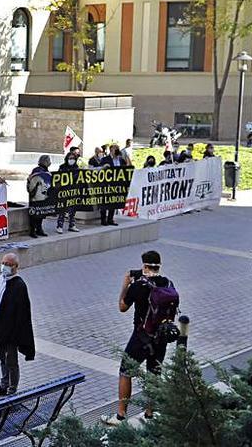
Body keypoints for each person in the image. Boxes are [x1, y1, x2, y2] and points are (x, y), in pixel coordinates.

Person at [102, 250, 177, 425]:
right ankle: (150, 414)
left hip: (141, 336)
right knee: (154, 374)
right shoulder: (168, 283)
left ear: (144, 266)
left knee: (125, 371)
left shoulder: (138, 286)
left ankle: (121, 416)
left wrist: (125, 286)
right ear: (159, 266)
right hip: (161, 336)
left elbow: (122, 307)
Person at [0, 254, 35, 396]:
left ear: (15, 266)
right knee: (2, 358)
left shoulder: (19, 285)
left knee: (11, 361)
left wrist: (15, 335)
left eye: (8, 264)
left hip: (10, 332)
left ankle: (12, 389)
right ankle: (4, 384)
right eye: (3, 263)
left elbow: (22, 314)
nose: (4, 266)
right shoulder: (2, 279)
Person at [99, 144, 126, 226]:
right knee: (105, 202)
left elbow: (127, 167)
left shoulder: (120, 160)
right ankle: (103, 220)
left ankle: (110, 219)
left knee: (113, 202)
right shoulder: (105, 159)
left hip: (117, 184)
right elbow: (100, 170)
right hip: (107, 184)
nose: (117, 150)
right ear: (111, 150)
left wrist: (125, 156)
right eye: (116, 149)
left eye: (118, 149)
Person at [27, 155, 53, 238]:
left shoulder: (46, 171)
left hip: (42, 196)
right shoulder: (37, 170)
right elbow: (32, 182)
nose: (50, 162)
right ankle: (32, 231)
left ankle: (39, 229)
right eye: (48, 160)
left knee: (41, 213)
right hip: (35, 197)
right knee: (34, 214)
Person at [55, 152, 80, 235]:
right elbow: (58, 178)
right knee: (63, 209)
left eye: (73, 158)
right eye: (70, 158)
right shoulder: (62, 167)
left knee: (72, 209)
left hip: (73, 191)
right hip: (64, 191)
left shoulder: (76, 168)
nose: (71, 160)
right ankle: (60, 226)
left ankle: (72, 225)